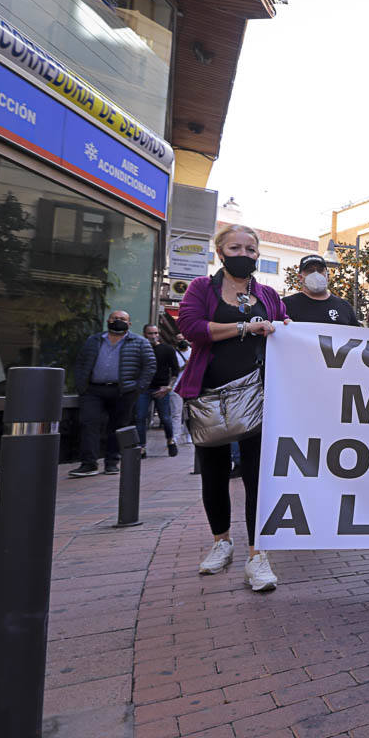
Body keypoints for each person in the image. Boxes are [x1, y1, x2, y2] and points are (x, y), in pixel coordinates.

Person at [177, 224, 289, 593]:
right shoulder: (200, 289)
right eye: (235, 247)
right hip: (210, 395)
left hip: (259, 398)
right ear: (220, 252)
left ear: (258, 255)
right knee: (214, 472)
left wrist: (283, 327)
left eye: (251, 249)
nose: (244, 254)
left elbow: (282, 326)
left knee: (259, 479)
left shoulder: (269, 294)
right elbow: (191, 327)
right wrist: (246, 327)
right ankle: (221, 541)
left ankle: (258, 556)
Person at [69, 311, 155, 477]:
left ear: (129, 324)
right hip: (93, 390)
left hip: (123, 391)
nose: (118, 321)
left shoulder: (140, 342)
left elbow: (149, 366)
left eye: (122, 319)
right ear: (108, 321)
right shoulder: (93, 340)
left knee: (118, 427)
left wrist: (138, 388)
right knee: (88, 423)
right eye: (115, 318)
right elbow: (80, 362)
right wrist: (81, 385)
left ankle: (111, 462)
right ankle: (89, 464)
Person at [137, 324, 180, 458]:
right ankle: (142, 447)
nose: (153, 336)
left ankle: (170, 440)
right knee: (140, 417)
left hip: (161, 388)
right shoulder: (141, 349)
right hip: (143, 388)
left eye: (155, 333)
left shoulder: (167, 349)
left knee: (165, 418)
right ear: (145, 334)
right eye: (150, 333)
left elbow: (175, 370)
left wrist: (168, 386)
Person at [282, 254, 360, 326]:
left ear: (327, 275)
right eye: (310, 271)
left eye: (320, 270)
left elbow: (357, 335)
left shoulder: (344, 306)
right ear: (300, 277)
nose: (316, 274)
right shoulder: (286, 305)